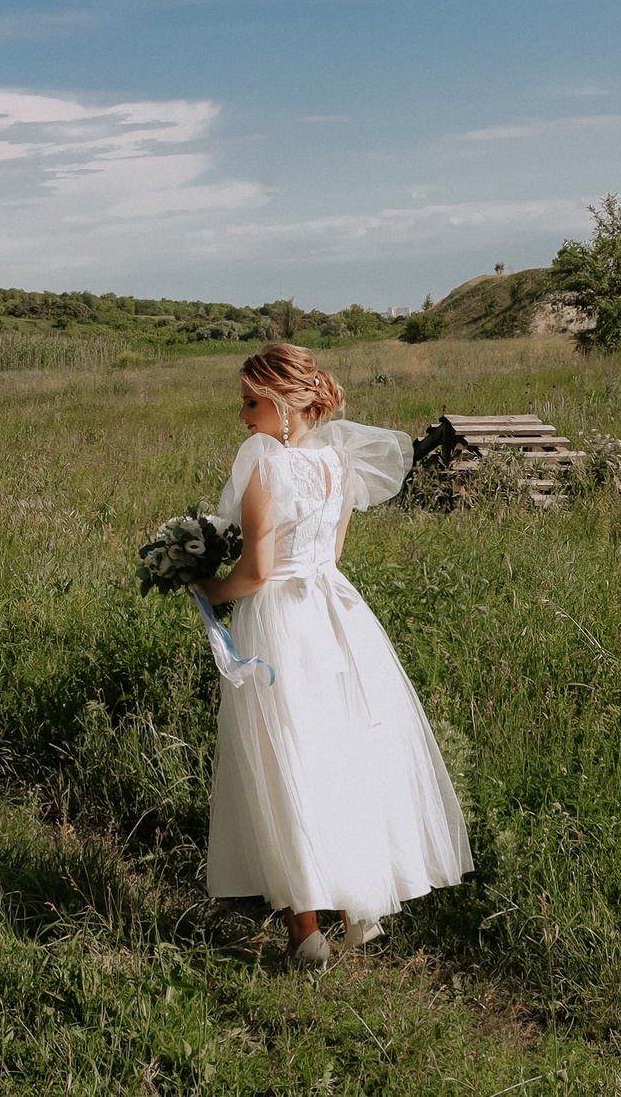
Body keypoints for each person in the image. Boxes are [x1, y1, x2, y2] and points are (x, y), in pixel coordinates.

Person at [195, 342, 473, 967]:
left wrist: (201, 588)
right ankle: (358, 905)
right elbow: (333, 554)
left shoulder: (264, 463)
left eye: (250, 403)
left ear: (284, 405)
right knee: (342, 753)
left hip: (281, 622)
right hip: (337, 614)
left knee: (284, 757)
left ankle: (306, 934)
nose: (242, 417)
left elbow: (257, 572)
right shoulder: (340, 464)